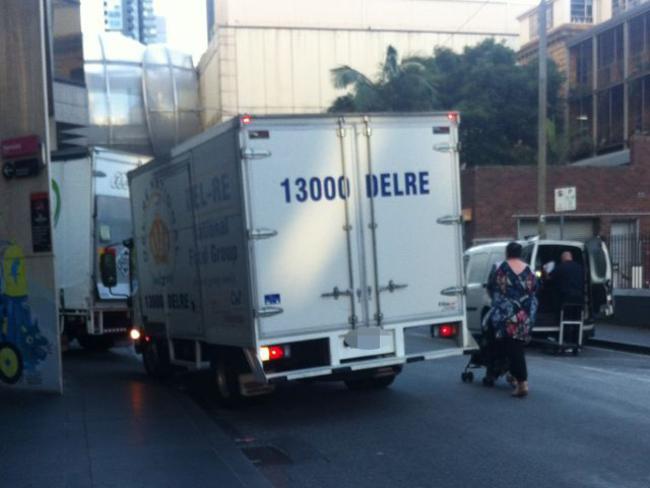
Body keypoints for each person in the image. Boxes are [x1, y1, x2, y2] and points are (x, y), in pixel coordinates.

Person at [487, 241, 538, 398]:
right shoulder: (529, 269)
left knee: (513, 347)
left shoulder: (499, 267)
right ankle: (514, 376)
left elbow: (490, 286)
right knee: (516, 345)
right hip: (524, 314)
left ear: (507, 253)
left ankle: (521, 382)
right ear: (521, 253)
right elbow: (535, 289)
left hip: (505, 313)